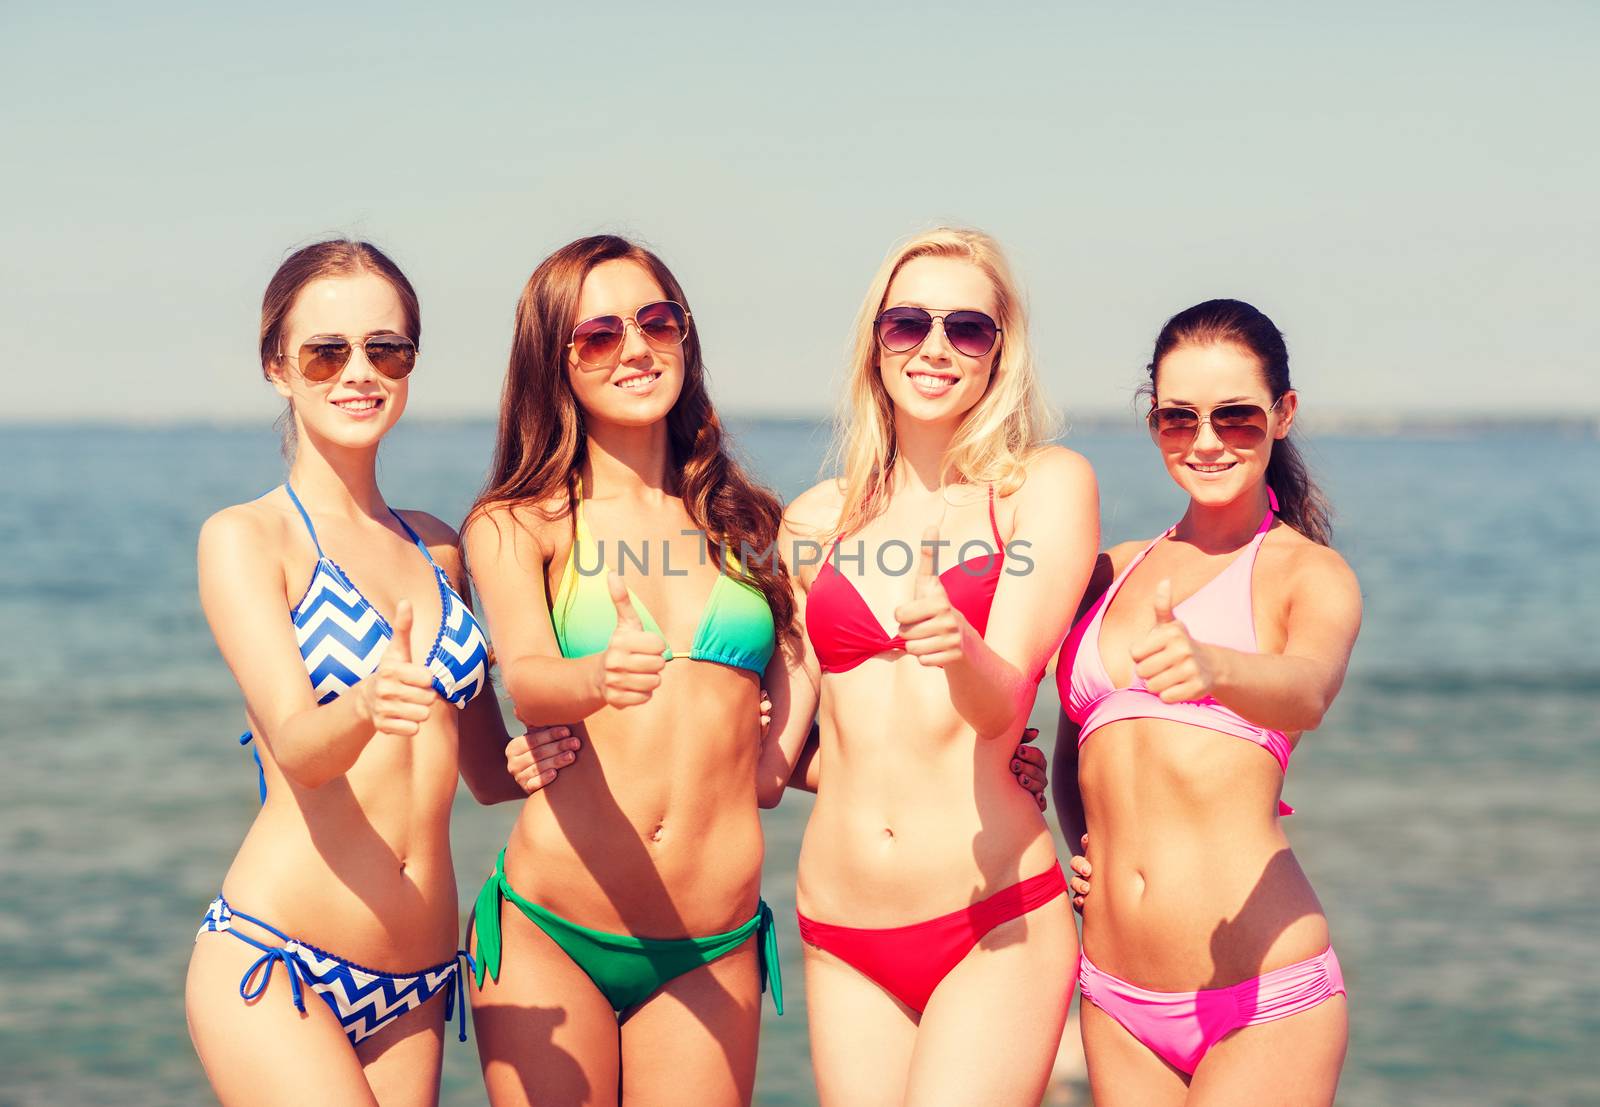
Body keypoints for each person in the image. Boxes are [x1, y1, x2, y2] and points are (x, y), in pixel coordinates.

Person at [185, 239, 572, 1107]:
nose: (358, 371)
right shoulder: (249, 539)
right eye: (326, 351)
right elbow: (300, 747)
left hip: (416, 984)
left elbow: (481, 771)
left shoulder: (438, 544)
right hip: (279, 961)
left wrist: (542, 753)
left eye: (385, 349)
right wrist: (365, 702)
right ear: (276, 366)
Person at [461, 235, 799, 1107]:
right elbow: (529, 680)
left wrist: (773, 760)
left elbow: (800, 663)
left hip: (711, 942)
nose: (637, 349)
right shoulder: (517, 523)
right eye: (599, 335)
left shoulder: (749, 520)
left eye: (656, 321)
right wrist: (598, 677)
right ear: (554, 361)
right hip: (551, 928)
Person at [773, 227, 1098, 1106]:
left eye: (969, 328)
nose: (936, 348)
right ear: (875, 343)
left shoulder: (1043, 487)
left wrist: (958, 648)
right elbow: (776, 754)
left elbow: (1003, 704)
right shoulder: (813, 522)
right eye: (908, 323)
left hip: (990, 914)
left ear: (1002, 350)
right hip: (839, 927)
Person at [1052, 299, 1361, 1105]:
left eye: (1237, 417)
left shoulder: (1306, 574)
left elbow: (1309, 690)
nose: (1207, 441)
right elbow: (1072, 750)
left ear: (1282, 415)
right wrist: (1085, 846)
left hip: (1261, 997)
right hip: (1115, 996)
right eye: (1178, 418)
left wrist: (1214, 667)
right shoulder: (1109, 570)